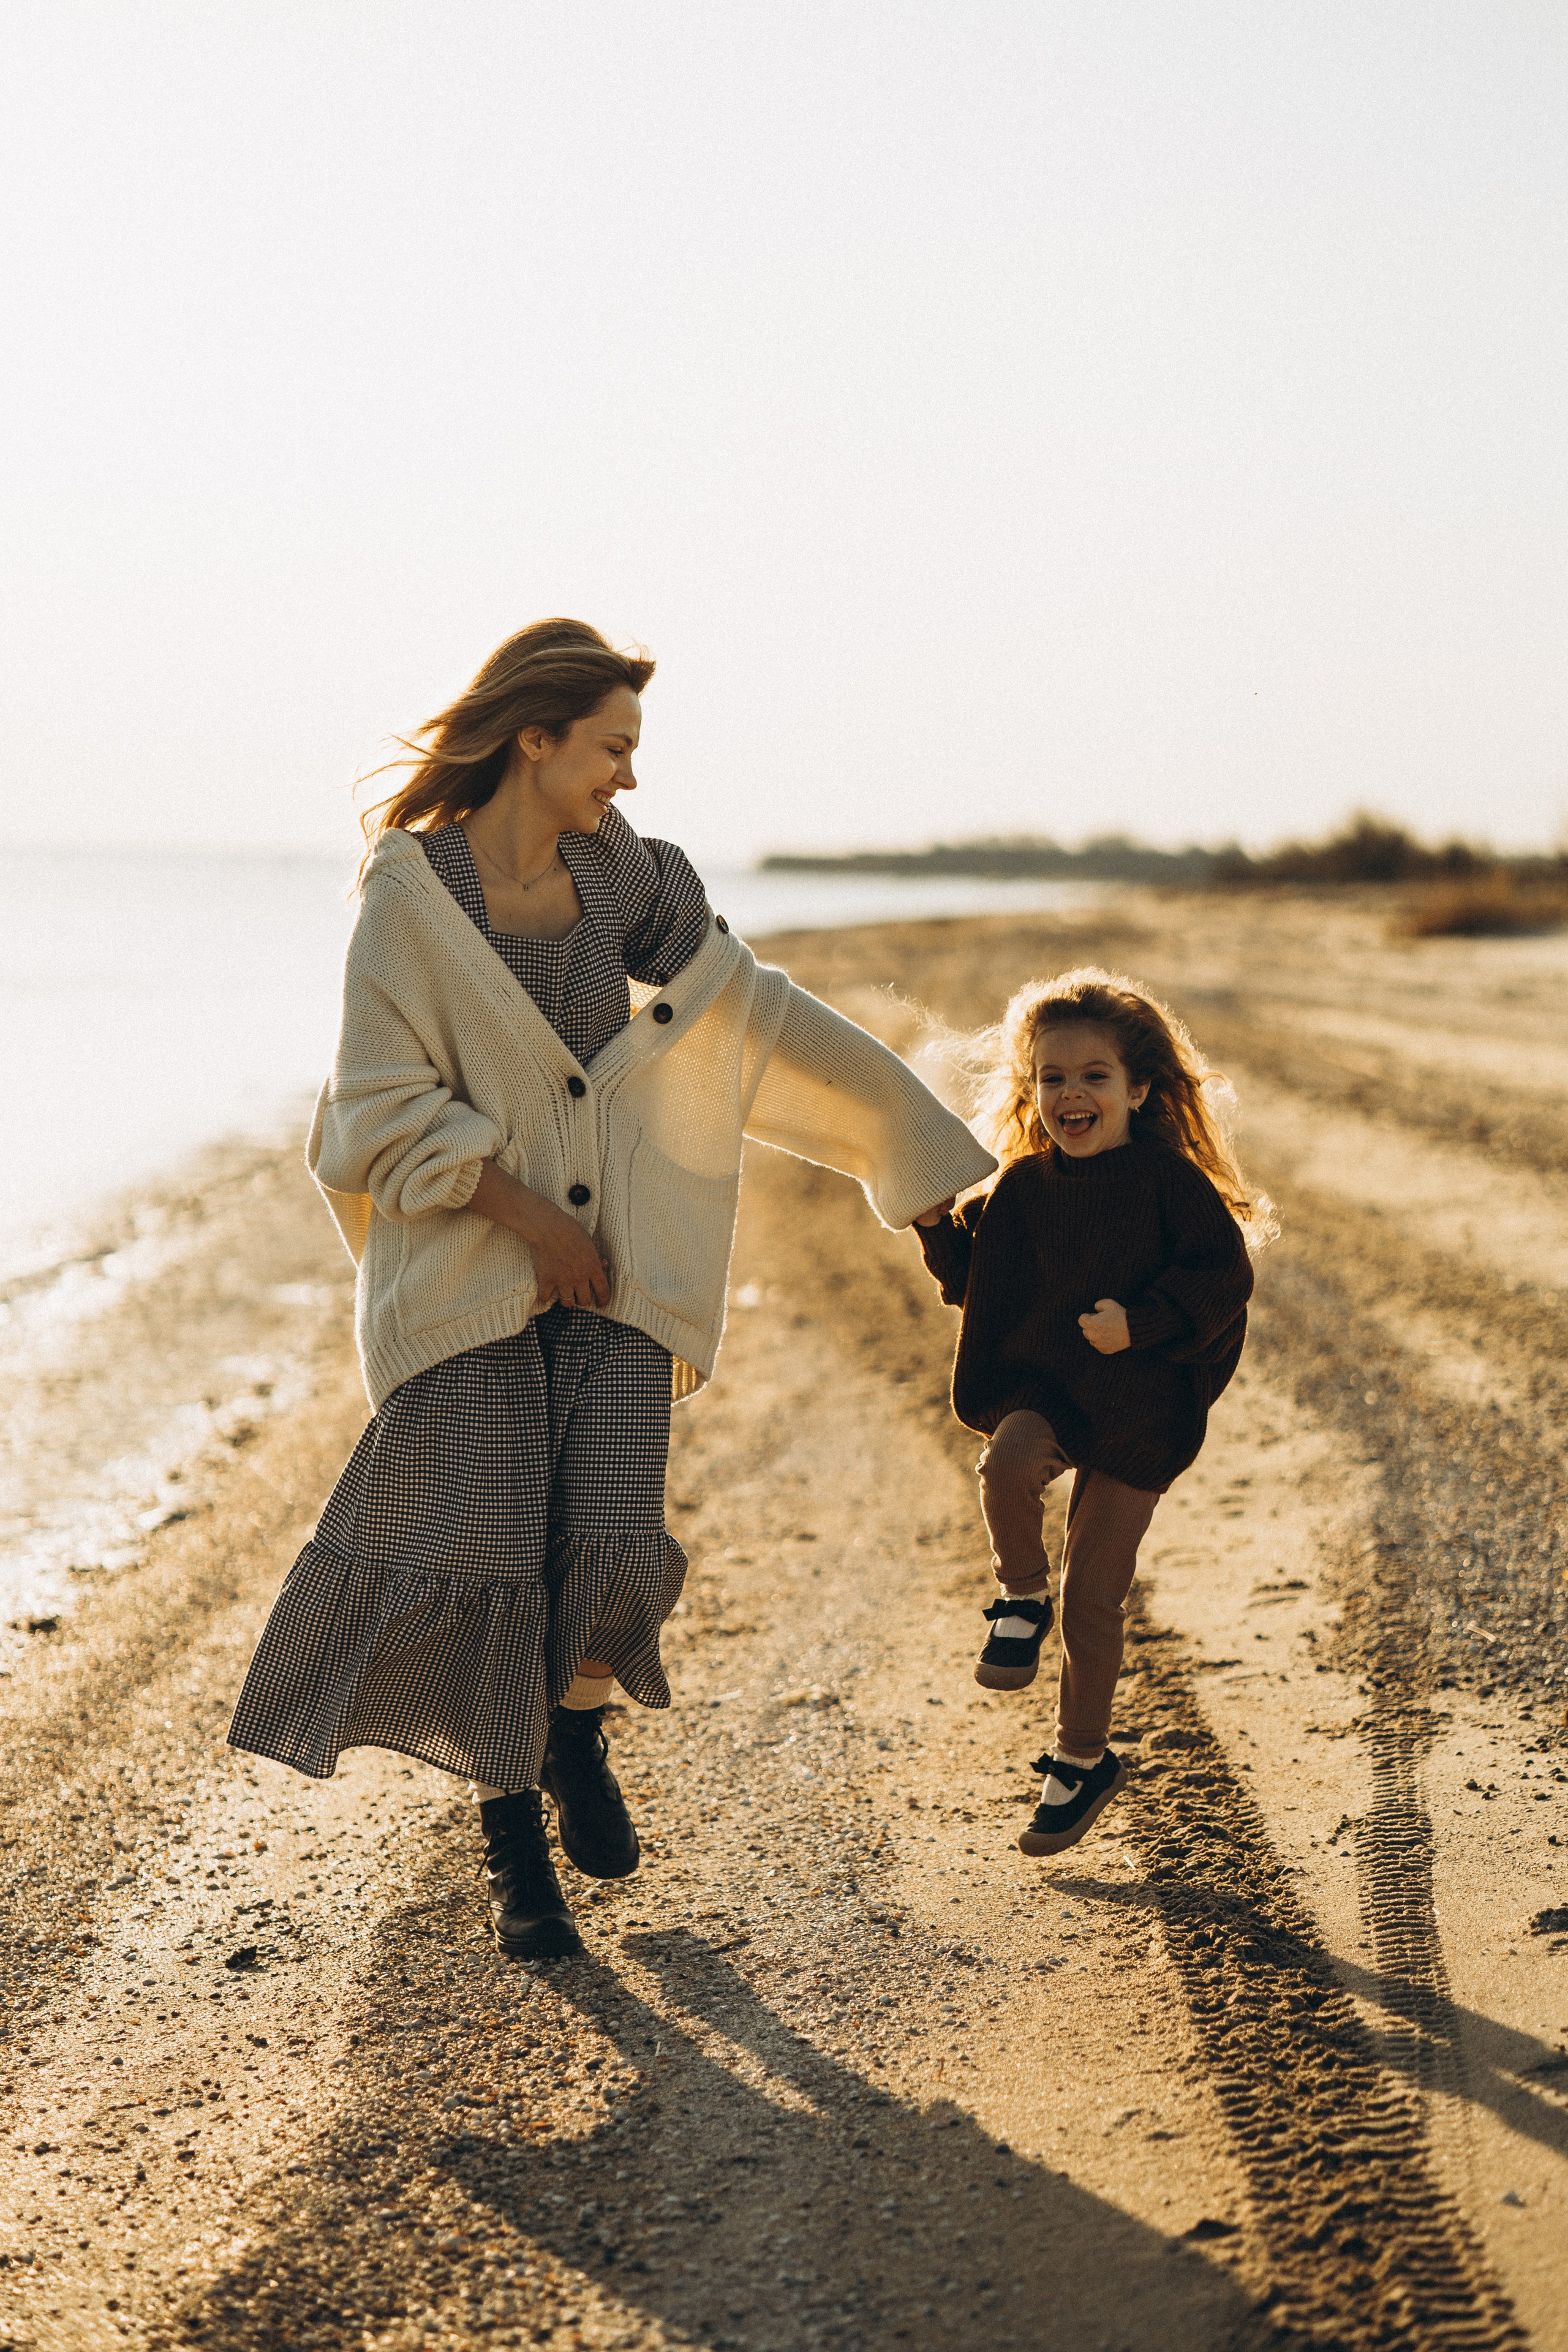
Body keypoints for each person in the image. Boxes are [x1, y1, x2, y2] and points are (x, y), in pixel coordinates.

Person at [228, 619, 994, 1955]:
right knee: (487, 1564)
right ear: (535, 738)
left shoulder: (621, 871)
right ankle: (513, 1853)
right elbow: (375, 1112)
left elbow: (750, 1014)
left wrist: (917, 1169)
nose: (628, 777)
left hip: (619, 1275)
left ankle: (574, 1735)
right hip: (471, 1279)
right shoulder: (409, 899)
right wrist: (529, 1221)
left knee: (620, 1549)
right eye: (611, 748)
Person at [911, 968, 1272, 1857]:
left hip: (1143, 1405)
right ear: (1033, 1090)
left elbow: (1224, 1279)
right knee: (1004, 1465)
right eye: (1053, 1077)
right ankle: (1018, 1595)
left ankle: (1080, 1761)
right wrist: (934, 1227)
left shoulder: (1169, 1184)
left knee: (1096, 1594)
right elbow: (980, 1285)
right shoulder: (1023, 1189)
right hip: (1050, 1391)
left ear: (1138, 1089)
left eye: (1094, 1076)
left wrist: (1139, 1324)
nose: (1072, 1094)